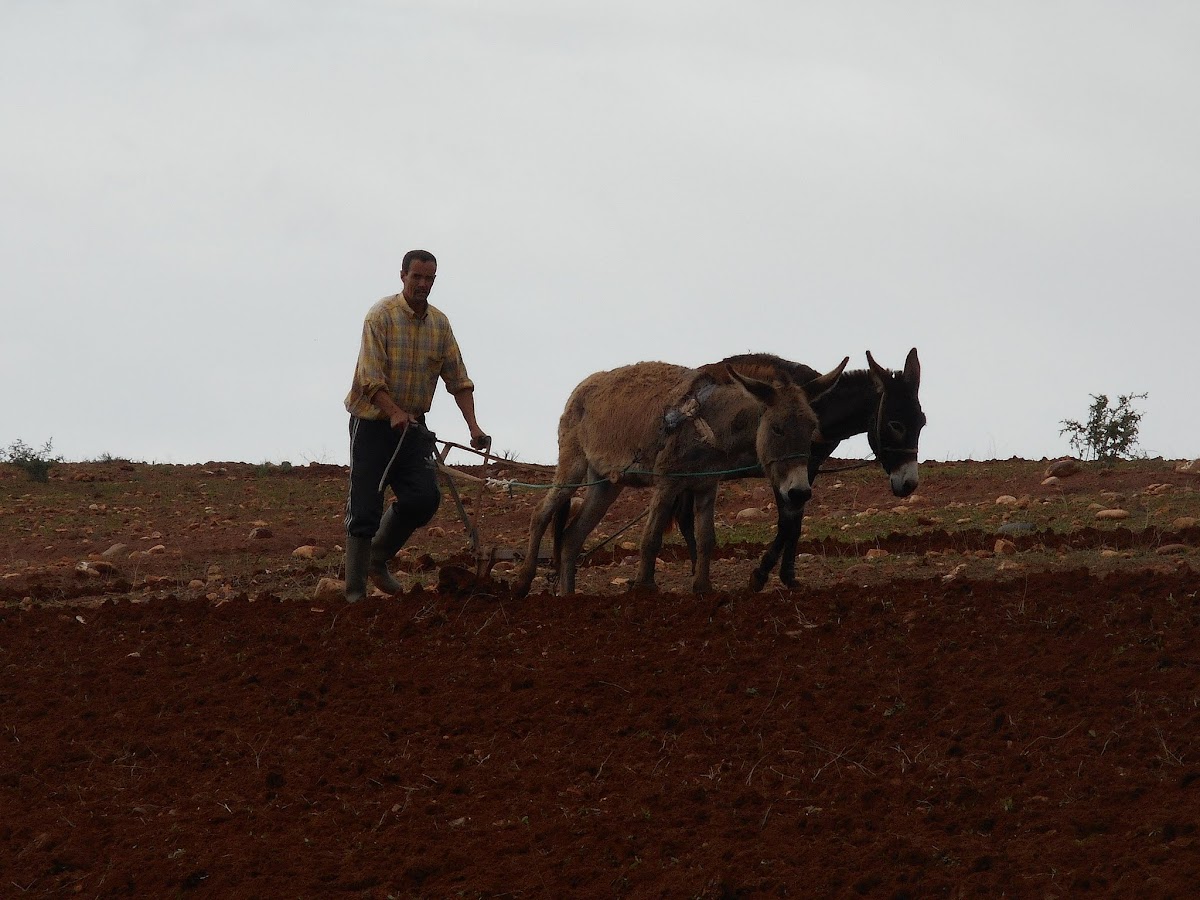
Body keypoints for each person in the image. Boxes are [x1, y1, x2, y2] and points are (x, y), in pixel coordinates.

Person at [343, 249, 490, 602]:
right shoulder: (381, 317)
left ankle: (377, 558)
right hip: (373, 425)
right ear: (403, 276)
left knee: (424, 499)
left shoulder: (440, 324)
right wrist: (393, 411)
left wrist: (474, 428)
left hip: (413, 429)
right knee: (364, 508)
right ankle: (354, 595)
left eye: (429, 279)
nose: (423, 284)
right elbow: (370, 379)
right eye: (417, 278)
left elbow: (459, 380)